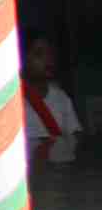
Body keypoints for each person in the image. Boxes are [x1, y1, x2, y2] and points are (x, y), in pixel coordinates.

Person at [24, 36, 79, 165]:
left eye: (50, 53)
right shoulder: (12, 101)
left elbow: (75, 133)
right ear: (24, 60)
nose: (47, 59)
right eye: (39, 54)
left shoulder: (61, 97)